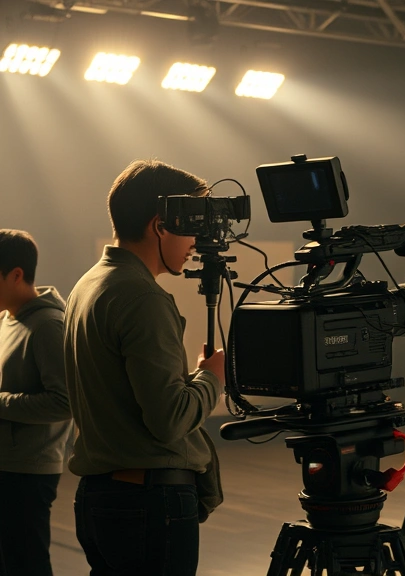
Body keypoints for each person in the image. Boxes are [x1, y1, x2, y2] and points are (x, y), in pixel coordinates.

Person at [64, 159, 226, 576]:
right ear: (160, 225)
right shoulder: (142, 297)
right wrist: (212, 377)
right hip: (147, 504)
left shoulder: (89, 284)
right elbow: (169, 419)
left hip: (102, 499)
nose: (196, 240)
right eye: (190, 225)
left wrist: (192, 378)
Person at [0, 230, 72, 576]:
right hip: (7, 463)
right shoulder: (6, 318)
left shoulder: (49, 325)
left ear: (16, 275)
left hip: (28, 471)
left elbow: (63, 402)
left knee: (26, 564)